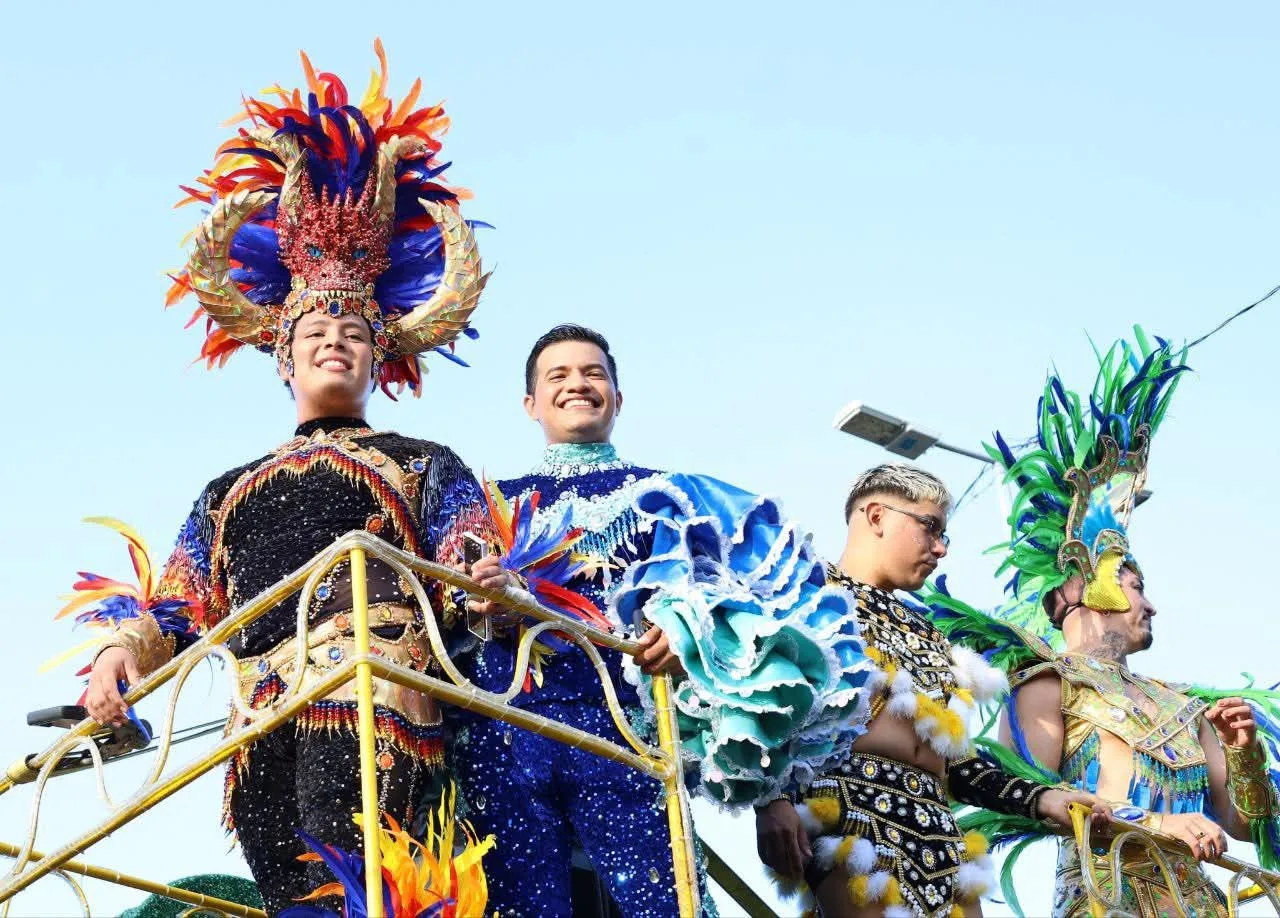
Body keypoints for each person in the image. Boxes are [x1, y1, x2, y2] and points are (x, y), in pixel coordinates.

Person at [73, 47, 493, 916]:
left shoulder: (421, 459)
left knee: (362, 886)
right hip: (259, 719)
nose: (334, 341)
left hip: (376, 694)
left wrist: (487, 580)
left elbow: (469, 552)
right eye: (314, 332)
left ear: (380, 355)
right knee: (291, 898)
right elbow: (180, 603)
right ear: (283, 357)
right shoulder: (227, 490)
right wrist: (119, 653)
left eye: (353, 331)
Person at [457, 324, 870, 916]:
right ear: (530, 404)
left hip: (628, 734)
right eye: (558, 375)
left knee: (662, 902)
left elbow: (765, 610)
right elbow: (445, 620)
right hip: (505, 739)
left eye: (593, 373)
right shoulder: (486, 501)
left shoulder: (672, 497)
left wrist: (692, 632)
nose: (578, 384)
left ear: (618, 398)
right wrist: (482, 603)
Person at [956, 331, 1280, 917]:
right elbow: (1029, 797)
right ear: (1088, 586)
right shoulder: (1047, 682)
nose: (1151, 606)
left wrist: (1244, 757)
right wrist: (1156, 823)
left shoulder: (1182, 703)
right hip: (1105, 901)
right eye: (1136, 587)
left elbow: (1239, 822)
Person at [753, 464, 1108, 918]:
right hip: (848, 818)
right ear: (876, 516)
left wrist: (1042, 798)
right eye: (930, 527)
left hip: (942, 838)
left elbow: (957, 763)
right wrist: (771, 799)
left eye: (944, 534)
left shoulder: (931, 635)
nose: (940, 547)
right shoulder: (808, 595)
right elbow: (758, 701)